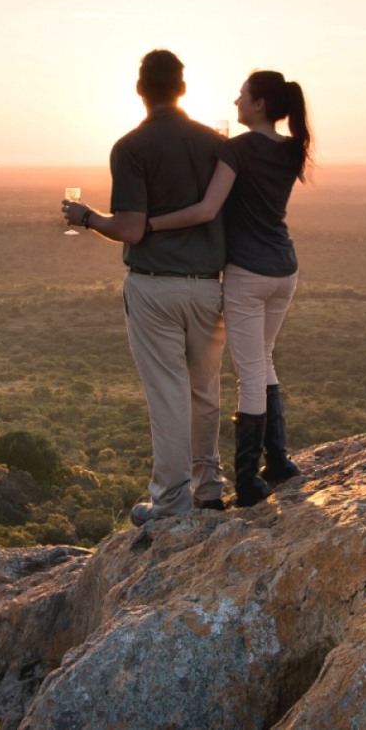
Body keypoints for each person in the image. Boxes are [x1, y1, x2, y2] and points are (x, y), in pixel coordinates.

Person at [60, 49, 229, 526]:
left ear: (140, 89)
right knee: (206, 390)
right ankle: (210, 487)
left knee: (168, 395)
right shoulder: (217, 143)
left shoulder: (131, 146)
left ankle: (171, 502)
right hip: (209, 286)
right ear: (182, 88)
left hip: (155, 286)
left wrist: (87, 218)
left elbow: (132, 229)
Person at [137, 70, 312, 508]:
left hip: (247, 273)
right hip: (284, 268)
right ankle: (277, 459)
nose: (236, 101)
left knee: (249, 372)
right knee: (263, 359)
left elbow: (206, 209)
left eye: (242, 96)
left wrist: (149, 224)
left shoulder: (237, 149)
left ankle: (248, 481)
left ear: (258, 105)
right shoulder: (292, 148)